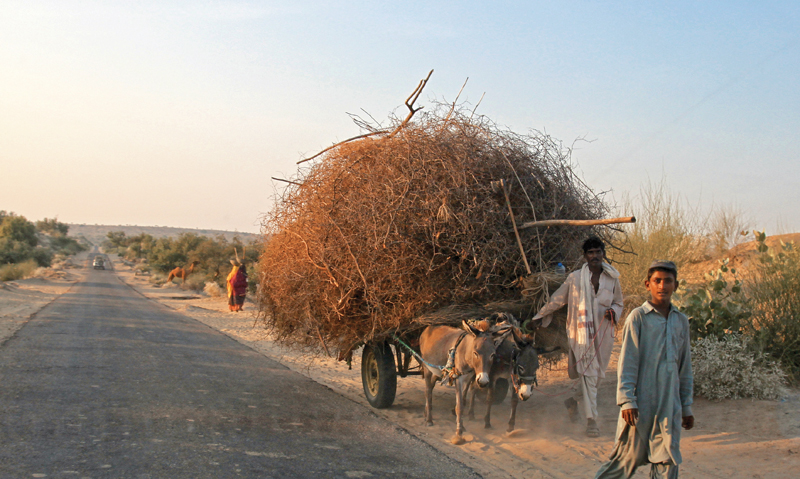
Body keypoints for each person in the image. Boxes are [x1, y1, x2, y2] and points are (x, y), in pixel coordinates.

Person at [594, 260, 694, 479]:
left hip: (669, 406)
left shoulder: (681, 321)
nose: (662, 286)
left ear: (675, 285)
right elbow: (627, 362)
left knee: (667, 464)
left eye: (668, 281)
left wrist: (686, 406)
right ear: (647, 284)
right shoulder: (638, 317)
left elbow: (684, 367)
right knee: (624, 464)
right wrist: (628, 401)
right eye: (657, 281)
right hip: (640, 407)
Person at [531, 236, 624, 437]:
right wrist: (540, 315)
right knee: (590, 376)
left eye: (598, 252)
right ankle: (592, 421)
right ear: (585, 256)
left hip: (604, 334)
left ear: (603, 253)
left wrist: (614, 313)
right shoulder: (574, 279)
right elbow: (558, 299)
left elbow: (619, 303)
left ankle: (573, 400)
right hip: (581, 334)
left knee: (596, 377)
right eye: (590, 253)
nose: (595, 256)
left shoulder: (612, 278)